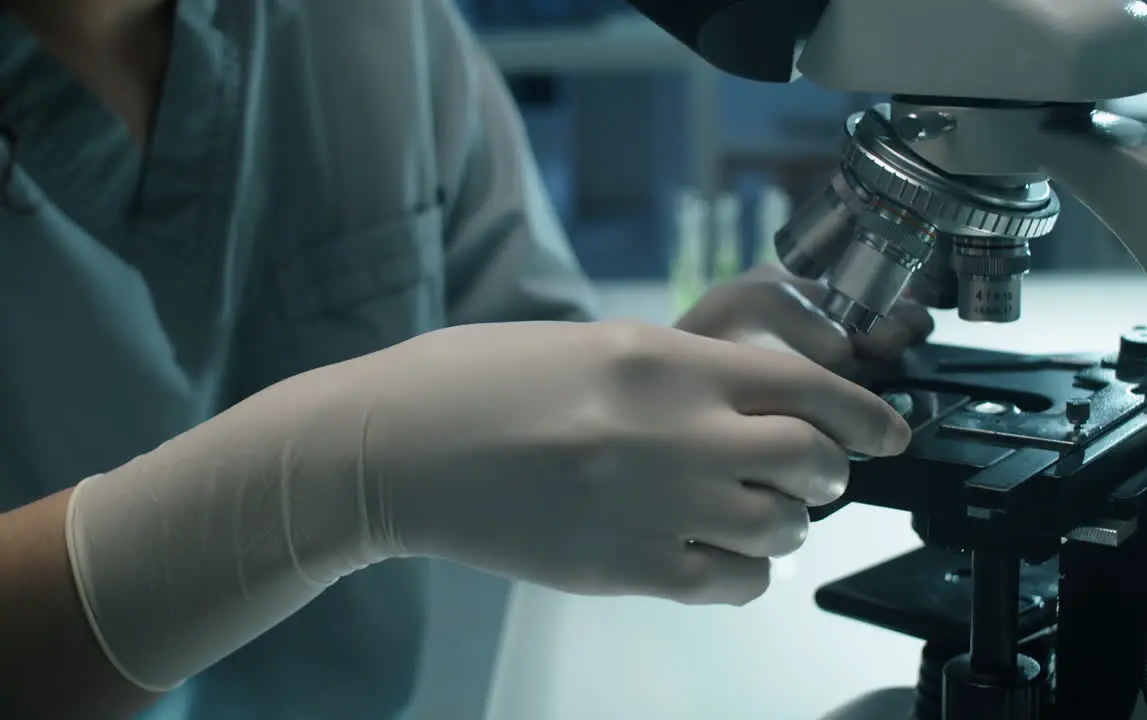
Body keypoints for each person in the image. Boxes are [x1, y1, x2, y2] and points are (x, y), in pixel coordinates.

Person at [0, 1, 933, 718]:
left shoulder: (369, 26)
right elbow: (405, 446)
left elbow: (524, 376)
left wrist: (685, 381)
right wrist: (339, 477)